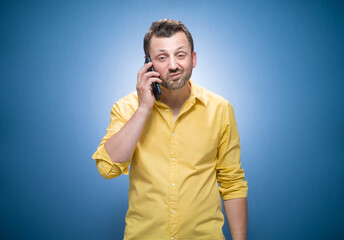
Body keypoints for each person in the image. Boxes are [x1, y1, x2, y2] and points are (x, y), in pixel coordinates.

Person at [92, 19, 248, 240]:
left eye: (181, 55)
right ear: (148, 63)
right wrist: (144, 107)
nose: (173, 65)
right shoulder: (126, 108)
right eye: (162, 57)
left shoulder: (220, 109)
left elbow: (233, 184)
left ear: (193, 59)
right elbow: (108, 169)